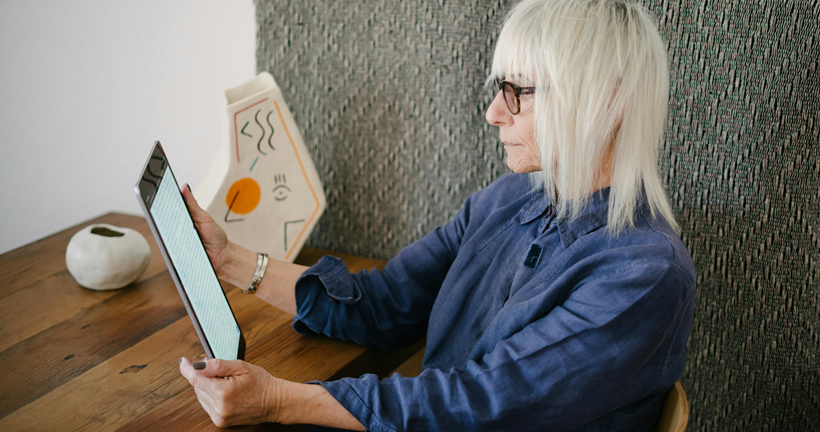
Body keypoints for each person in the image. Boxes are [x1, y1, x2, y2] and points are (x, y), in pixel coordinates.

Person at [178, 0, 696, 430]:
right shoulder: (507, 199)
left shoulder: (643, 275)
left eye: (518, 93)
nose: (494, 112)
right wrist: (230, 260)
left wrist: (278, 401)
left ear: (606, 104)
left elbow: (478, 403)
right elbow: (385, 304)